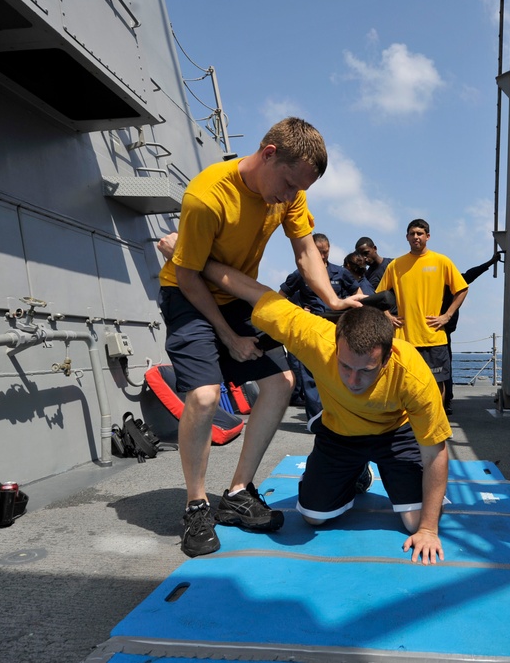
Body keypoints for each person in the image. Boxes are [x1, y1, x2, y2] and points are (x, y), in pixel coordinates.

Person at [157, 117, 362, 558]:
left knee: (280, 383)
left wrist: (333, 300)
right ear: (269, 153)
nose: (290, 197)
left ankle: (237, 493)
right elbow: (190, 276)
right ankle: (196, 504)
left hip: (233, 295)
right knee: (206, 397)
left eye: (298, 190)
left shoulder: (291, 190)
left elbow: (306, 250)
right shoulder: (207, 197)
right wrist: (230, 337)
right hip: (187, 294)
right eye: (288, 184)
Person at [202, 259, 450, 565]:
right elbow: (256, 293)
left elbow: (435, 452)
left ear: (387, 359)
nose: (353, 380)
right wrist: (195, 258)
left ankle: (389, 485)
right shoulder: (315, 337)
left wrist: (428, 529)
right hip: (340, 433)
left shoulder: (412, 375)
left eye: (366, 371)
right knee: (313, 518)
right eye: (345, 366)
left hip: (394, 434)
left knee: (416, 522)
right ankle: (356, 473)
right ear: (335, 344)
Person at [376, 219, 469, 403]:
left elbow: (462, 289)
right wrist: (388, 316)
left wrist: (447, 316)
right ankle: (408, 426)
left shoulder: (441, 261)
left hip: (433, 337)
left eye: (420, 233)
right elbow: (378, 295)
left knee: (437, 384)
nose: (416, 237)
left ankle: (436, 424)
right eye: (412, 233)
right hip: (404, 338)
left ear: (428, 236)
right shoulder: (395, 265)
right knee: (403, 384)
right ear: (407, 237)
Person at [279, 233, 363, 422]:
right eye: (319, 252)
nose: (323, 256)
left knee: (339, 371)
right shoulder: (300, 274)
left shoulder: (340, 273)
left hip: (337, 329)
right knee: (310, 373)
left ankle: (341, 416)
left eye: (325, 252)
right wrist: (299, 311)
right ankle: (316, 419)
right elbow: (280, 297)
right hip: (311, 328)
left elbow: (358, 293)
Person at [441, 250, 502, 414]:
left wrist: (490, 262)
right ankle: (446, 401)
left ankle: (444, 401)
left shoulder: (443, 282)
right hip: (443, 327)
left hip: (440, 327)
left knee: (441, 366)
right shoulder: (452, 281)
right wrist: (490, 262)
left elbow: (472, 273)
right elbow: (471, 274)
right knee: (445, 366)